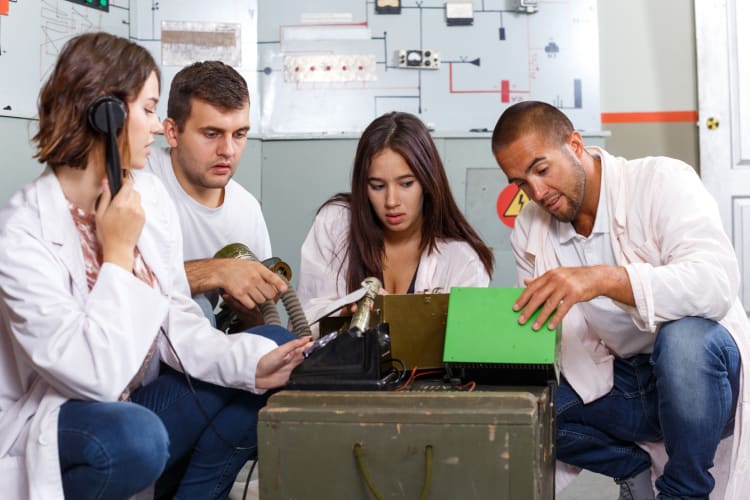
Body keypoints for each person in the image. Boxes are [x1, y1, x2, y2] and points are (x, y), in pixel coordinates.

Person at [0, 32, 311, 500]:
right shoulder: (22, 233)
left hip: (139, 402)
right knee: (134, 437)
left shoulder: (146, 198)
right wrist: (119, 252)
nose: (152, 128)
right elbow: (95, 376)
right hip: (71, 418)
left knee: (270, 346)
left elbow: (177, 325)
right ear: (103, 115)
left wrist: (254, 366)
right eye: (146, 110)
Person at [491, 100, 749, 499]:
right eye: (521, 183)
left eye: (542, 170)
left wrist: (604, 280)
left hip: (705, 377)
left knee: (682, 340)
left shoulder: (661, 180)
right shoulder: (530, 229)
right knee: (524, 409)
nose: (536, 192)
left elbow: (715, 283)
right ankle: (630, 465)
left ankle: (684, 492)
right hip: (628, 384)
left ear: (575, 145)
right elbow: (558, 344)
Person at [297, 111, 494, 327]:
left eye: (406, 183)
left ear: (427, 181)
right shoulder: (336, 222)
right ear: (363, 186)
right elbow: (303, 323)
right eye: (378, 186)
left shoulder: (462, 260)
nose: (391, 201)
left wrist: (401, 318)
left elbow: (460, 347)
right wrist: (347, 310)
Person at [145, 60, 283, 330]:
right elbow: (122, 283)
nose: (228, 150)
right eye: (212, 134)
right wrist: (217, 271)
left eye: (239, 134)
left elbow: (257, 327)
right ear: (172, 132)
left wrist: (250, 313)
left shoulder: (247, 211)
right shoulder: (139, 183)